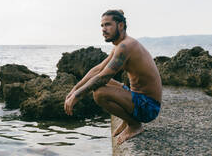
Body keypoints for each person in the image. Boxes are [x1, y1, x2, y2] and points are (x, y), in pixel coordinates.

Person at [64, 9, 162, 144]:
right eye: (102, 26)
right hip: (137, 97)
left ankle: (134, 125)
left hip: (148, 107)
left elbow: (103, 77)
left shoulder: (126, 46)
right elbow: (98, 69)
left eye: (108, 25)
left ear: (120, 25)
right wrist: (74, 89)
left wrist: (77, 96)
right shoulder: (119, 46)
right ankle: (127, 119)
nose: (103, 29)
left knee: (99, 93)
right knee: (101, 82)